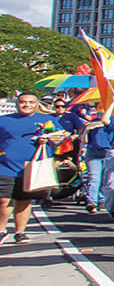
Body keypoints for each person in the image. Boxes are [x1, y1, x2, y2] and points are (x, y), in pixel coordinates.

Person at [0, 91, 58, 243]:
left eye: (31, 102)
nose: (27, 105)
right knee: (3, 200)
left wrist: (48, 137)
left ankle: (20, 232)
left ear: (37, 104)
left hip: (31, 166)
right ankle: (1, 230)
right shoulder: (4, 120)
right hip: (5, 166)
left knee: (23, 201)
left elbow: (61, 140)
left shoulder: (47, 120)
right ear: (17, 104)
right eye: (23, 102)